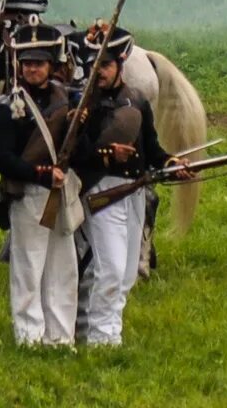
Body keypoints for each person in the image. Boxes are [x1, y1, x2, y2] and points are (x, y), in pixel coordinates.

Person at [73, 25, 192, 346]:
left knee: (125, 273)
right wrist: (106, 153)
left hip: (135, 191)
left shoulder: (136, 100)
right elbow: (72, 152)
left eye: (105, 65)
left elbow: (152, 149)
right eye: (93, 66)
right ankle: (100, 339)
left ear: (119, 66)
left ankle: (111, 333)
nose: (98, 72)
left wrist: (171, 164)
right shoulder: (83, 106)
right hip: (102, 191)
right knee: (110, 269)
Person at [0, 20, 78, 346]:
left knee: (62, 267)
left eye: (38, 63)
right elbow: (2, 158)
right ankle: (29, 337)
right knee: (28, 268)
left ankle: (61, 336)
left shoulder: (65, 101)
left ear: (51, 65)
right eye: (27, 63)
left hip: (59, 193)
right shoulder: (8, 108)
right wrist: (40, 174)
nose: (32, 69)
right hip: (29, 194)